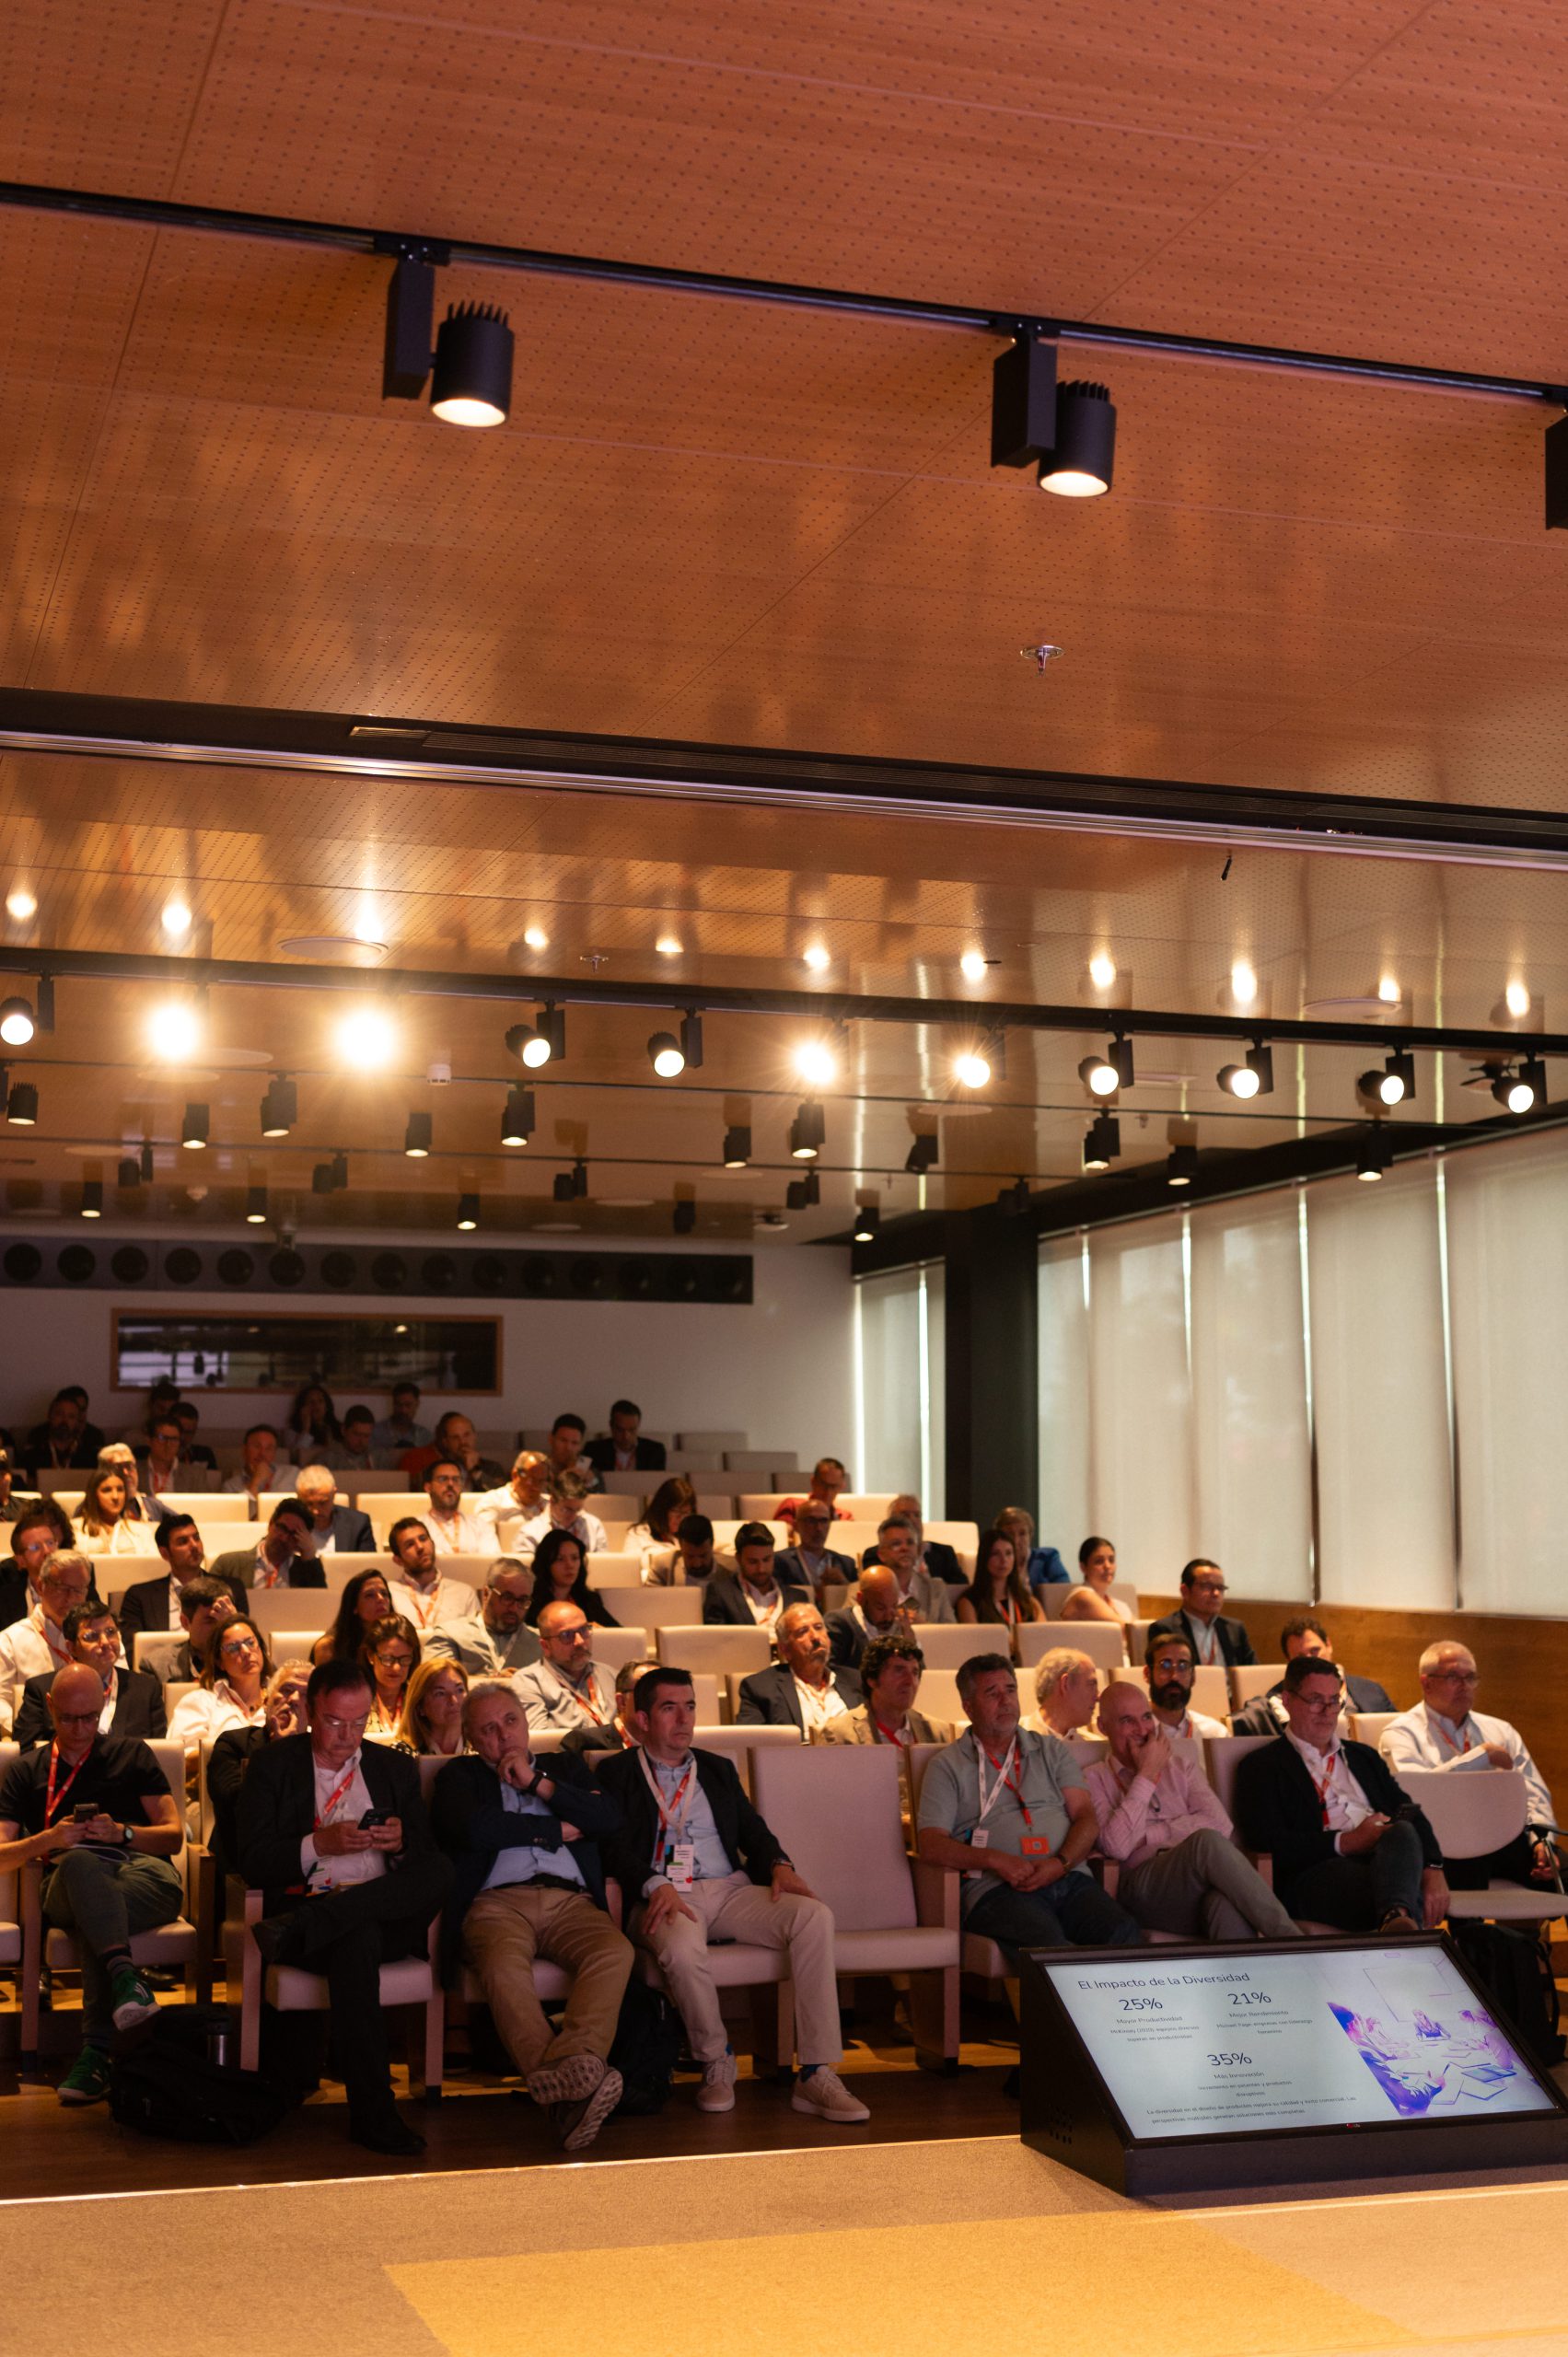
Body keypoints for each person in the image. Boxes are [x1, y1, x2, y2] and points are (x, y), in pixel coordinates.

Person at [598, 1666, 870, 2122]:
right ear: (641, 1719)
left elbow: (752, 1830)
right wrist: (654, 1882)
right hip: (665, 1895)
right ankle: (715, 2058)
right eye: (669, 1708)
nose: (684, 1719)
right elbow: (612, 1846)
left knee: (813, 1916)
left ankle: (817, 2072)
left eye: (689, 1707)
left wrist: (780, 1865)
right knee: (681, 1948)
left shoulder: (717, 1768)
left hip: (728, 1889)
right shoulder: (616, 1772)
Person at [236, 1655, 451, 2154]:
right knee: (357, 1937)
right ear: (311, 1711)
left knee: (441, 1869)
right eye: (335, 1722)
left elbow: (425, 1856)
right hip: (312, 1909)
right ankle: (373, 2114)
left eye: (358, 1723)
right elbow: (253, 1860)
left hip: (340, 1921)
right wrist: (319, 1844)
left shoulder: (393, 1767)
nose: (347, 1736)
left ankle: (326, 1919)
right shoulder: (274, 1767)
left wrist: (400, 1843)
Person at [431, 1679, 633, 2148]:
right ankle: (572, 2088)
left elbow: (607, 1819)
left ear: (526, 1722)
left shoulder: (564, 1767)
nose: (504, 1735)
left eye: (510, 1721)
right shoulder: (459, 1776)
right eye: (488, 1729)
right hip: (495, 1904)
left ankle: (568, 2073)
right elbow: (475, 1829)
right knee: (503, 1967)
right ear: (471, 1739)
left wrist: (536, 1783)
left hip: (571, 1902)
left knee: (615, 1952)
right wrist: (554, 1829)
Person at [0, 1664, 183, 2105]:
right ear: (50, 1707)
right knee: (82, 1865)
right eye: (68, 1718)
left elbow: (174, 1836)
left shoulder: (132, 1753)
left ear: (103, 1705)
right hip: (65, 1882)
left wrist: (123, 1833)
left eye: (89, 1718)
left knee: (97, 1914)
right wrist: (49, 1839)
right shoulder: (25, 1770)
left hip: (143, 1875)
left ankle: (97, 2053)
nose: (80, 1729)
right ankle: (125, 1981)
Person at [915, 1654, 1143, 1955]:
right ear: (968, 1707)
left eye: (1010, 1690)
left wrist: (1060, 1864)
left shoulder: (1052, 1750)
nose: (1005, 1701)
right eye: (992, 1693)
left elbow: (1086, 1818)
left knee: (1123, 1933)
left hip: (1068, 1877)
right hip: (997, 1890)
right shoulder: (947, 1765)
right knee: (1048, 1945)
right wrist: (995, 1860)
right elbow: (931, 1844)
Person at [1234, 1656, 1448, 1934]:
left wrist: (1433, 1869)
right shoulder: (1262, 1765)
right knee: (1398, 1886)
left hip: (1384, 1861)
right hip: (1314, 1873)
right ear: (1287, 1700)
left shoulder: (1364, 1757)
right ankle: (1400, 1920)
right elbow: (1266, 1840)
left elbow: (1410, 1812)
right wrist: (1346, 1842)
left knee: (1403, 1830)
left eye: (1334, 1701)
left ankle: (1396, 1917)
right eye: (1315, 1700)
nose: (1327, 1712)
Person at [1086, 1681, 1299, 1940]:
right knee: (1205, 1842)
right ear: (1102, 1727)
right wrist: (1147, 1773)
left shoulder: (1181, 1767)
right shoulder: (1092, 1778)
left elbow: (1221, 1825)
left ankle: (1264, 1965)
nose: (1142, 1730)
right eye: (1127, 1721)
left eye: (1146, 1717)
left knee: (1223, 1903)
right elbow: (1117, 1848)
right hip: (1142, 1890)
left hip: (1196, 1884)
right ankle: (1293, 1941)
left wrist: (1147, 1835)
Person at [1380, 1642, 1560, 1889]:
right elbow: (1419, 1792)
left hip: (1502, 1837)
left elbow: (1532, 1790)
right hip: (1443, 1844)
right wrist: (1481, 1756)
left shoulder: (1500, 1730)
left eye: (1471, 1678)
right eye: (1453, 1677)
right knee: (1468, 1876)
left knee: (1559, 1869)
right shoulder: (1401, 1733)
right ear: (1426, 1683)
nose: (1464, 1686)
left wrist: (1541, 1841)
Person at [206, 1660, 311, 1875]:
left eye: (305, 1695)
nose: (293, 1699)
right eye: (287, 1690)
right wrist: (279, 1752)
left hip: (305, 1866)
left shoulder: (322, 1752)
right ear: (266, 1701)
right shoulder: (233, 1744)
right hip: (241, 1868)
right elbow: (234, 1806)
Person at [14, 1603, 166, 1748]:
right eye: (92, 1636)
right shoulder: (41, 1689)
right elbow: (27, 1751)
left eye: (110, 1632)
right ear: (71, 1647)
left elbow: (160, 1753)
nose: (105, 1642)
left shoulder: (146, 1689)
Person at [1231, 1617, 1395, 1736]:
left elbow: (1394, 1731)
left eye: (1315, 1650)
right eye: (1301, 1656)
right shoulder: (1280, 1701)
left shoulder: (1371, 1690)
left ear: (1328, 1645)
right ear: (1289, 1661)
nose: (1311, 1660)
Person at [0, 1548, 95, 1735]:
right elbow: (1, 1700)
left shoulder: (102, 1639)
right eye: (62, 1588)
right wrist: (32, 1730)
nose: (71, 1598)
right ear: (41, 1586)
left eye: (78, 1590)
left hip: (92, 1738)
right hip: (34, 1740)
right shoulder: (10, 1640)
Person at [736, 1603, 862, 1734]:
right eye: (802, 1632)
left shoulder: (855, 1680)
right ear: (784, 1649)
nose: (815, 1637)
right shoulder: (761, 1689)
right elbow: (747, 1740)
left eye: (819, 1628)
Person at [119, 1514, 245, 1639]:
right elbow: (133, 1647)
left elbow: (245, 1637)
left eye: (196, 1538)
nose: (194, 1545)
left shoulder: (231, 1589)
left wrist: (230, 1621)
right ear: (165, 1553)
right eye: (183, 1542)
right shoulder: (139, 1597)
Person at [821, 1632, 950, 1747]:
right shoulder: (838, 1734)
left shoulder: (938, 1732)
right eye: (899, 1671)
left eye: (915, 1672)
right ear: (872, 1679)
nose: (910, 1681)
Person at [511, 1601, 618, 1736]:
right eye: (566, 1635)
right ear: (546, 1646)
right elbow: (540, 1742)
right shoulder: (529, 1682)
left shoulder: (611, 1675)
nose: (580, 1641)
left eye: (584, 1630)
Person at [168, 1616, 273, 1750]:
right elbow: (182, 1755)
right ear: (219, 1662)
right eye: (233, 1648)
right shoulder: (200, 1702)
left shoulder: (282, 1698)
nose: (246, 1652)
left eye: (250, 1642)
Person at [424, 1558, 541, 1678]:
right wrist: (489, 1681)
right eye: (507, 1597)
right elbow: (432, 1682)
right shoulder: (450, 1635)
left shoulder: (540, 1643)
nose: (514, 1608)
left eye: (522, 1600)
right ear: (486, 1593)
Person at [703, 1523, 808, 1632]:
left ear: (773, 1557)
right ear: (738, 1559)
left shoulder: (797, 1597)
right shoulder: (721, 1594)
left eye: (766, 1560)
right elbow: (716, 1639)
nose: (761, 1569)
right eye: (753, 1562)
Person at [1150, 1560, 1256, 1666]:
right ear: (1185, 1591)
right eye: (1207, 1586)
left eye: (1220, 1588)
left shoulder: (1234, 1628)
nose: (1216, 1594)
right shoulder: (1165, 1629)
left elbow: (1252, 1671)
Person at [957, 1527, 1045, 1651]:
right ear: (984, 1558)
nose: (1004, 1560)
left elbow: (1044, 1636)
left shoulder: (1028, 1601)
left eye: (1009, 1553)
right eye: (995, 1554)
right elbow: (975, 1643)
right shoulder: (969, 1602)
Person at [211, 1499, 326, 1594]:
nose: (284, 1538)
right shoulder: (228, 1565)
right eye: (282, 1528)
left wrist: (309, 1555)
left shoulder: (305, 1571)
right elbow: (206, 1601)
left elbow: (321, 1605)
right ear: (271, 1524)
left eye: (293, 1534)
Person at [387, 1517, 480, 1632]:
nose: (420, 1547)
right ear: (398, 1560)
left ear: (433, 1544)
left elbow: (475, 1638)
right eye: (410, 1544)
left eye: (423, 1539)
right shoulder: (388, 1594)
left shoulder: (464, 1593)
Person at [863, 1515, 956, 1625]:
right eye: (896, 1544)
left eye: (910, 1543)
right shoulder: (863, 1589)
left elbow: (953, 1631)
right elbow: (852, 1629)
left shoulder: (936, 1588)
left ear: (918, 1550)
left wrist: (924, 1627)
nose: (905, 1548)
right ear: (881, 1554)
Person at [522, 1528, 621, 1630]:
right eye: (560, 1559)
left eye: (575, 1558)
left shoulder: (588, 1600)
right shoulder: (530, 1602)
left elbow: (618, 1633)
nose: (570, 1565)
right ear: (546, 1564)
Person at [1144, 1630, 1229, 1744]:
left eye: (1183, 1666)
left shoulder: (1215, 1735)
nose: (1174, 1676)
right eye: (1165, 1665)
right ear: (1147, 1674)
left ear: (1193, 1677)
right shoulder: (1133, 1733)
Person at [859, 1495, 962, 1589]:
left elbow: (960, 1588)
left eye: (917, 1515)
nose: (913, 1520)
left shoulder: (944, 1552)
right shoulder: (875, 1554)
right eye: (905, 1515)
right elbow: (874, 1589)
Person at [825, 1567, 915, 1671]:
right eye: (880, 1608)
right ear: (860, 1599)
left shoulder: (900, 1628)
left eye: (894, 1606)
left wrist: (910, 1644)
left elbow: (917, 1673)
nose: (888, 1617)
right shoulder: (839, 1623)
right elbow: (829, 1672)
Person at [513, 1469, 610, 1563]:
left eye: (578, 1510)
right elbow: (524, 1571)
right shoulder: (530, 1533)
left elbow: (602, 1567)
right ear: (552, 1502)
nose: (573, 1516)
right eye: (567, 1509)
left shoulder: (594, 1526)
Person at [161, 1576, 244, 1686]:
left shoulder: (250, 1656)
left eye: (225, 1621)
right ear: (185, 1622)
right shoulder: (157, 1665)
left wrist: (234, 1623)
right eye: (211, 1620)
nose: (220, 1627)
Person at [311, 1568, 396, 1668]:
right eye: (370, 1595)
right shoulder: (329, 1647)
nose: (381, 1599)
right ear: (354, 1606)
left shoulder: (397, 1641)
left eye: (384, 1594)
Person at [401, 1411, 507, 1491]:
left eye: (467, 1435)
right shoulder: (433, 1471)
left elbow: (500, 1498)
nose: (463, 1442)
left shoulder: (493, 1468)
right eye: (455, 1438)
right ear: (446, 1442)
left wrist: (475, 1471)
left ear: (475, 1436)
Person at [775, 1496, 857, 1596]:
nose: (819, 1528)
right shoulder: (780, 1562)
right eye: (811, 1521)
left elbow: (857, 1600)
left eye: (824, 1521)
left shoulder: (846, 1564)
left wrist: (845, 1586)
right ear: (796, 1526)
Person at [472, 1450, 550, 1555]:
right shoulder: (492, 1501)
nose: (536, 1487)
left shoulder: (550, 1506)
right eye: (531, 1479)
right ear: (515, 1475)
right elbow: (484, 1543)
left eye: (541, 1481)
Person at [359, 1614, 422, 1744]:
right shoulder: (355, 1699)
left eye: (404, 1659)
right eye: (388, 1659)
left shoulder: (420, 1701)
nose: (396, 1667)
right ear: (370, 1656)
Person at [558, 1660, 643, 1756]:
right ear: (622, 1702)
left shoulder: (657, 1747)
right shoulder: (582, 1744)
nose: (655, 1700)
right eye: (646, 1691)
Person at [417, 1457, 492, 1555]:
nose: (450, 1484)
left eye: (456, 1479)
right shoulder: (416, 1528)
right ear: (428, 1487)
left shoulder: (480, 1525)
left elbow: (492, 1561)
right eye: (443, 1479)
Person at [293, 1464, 375, 1554]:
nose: (315, 1511)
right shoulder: (287, 1525)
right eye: (309, 1504)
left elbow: (370, 1562)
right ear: (299, 1498)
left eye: (322, 1503)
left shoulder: (358, 1523)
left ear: (334, 1494)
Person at [1024, 1646, 1101, 1742]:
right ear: (1065, 1684)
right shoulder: (1012, 1741)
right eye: (1091, 1685)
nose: (1098, 1697)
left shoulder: (1095, 1746)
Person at [1, 1509, 61, 1631]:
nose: (47, 1551)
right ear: (21, 1560)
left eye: (50, 1543)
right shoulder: (5, 1600)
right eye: (35, 1547)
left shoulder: (81, 1592)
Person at [401, 1655, 470, 1759]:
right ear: (420, 1707)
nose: (454, 1701)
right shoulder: (401, 1754)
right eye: (440, 1693)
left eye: (460, 1690)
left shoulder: (483, 1748)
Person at [1058, 1533, 1132, 1625]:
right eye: (1099, 1561)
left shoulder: (1120, 1606)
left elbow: (1134, 1631)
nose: (1107, 1566)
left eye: (1111, 1560)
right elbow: (1124, 1629)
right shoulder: (1082, 1596)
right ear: (1083, 1567)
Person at [624, 1477, 698, 1568]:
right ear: (662, 1509)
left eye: (686, 1513)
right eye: (676, 1511)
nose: (681, 1518)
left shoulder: (695, 1535)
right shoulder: (639, 1534)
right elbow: (630, 1568)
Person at [74, 1465, 145, 1558]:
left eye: (120, 1490)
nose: (115, 1497)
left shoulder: (141, 1530)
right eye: (107, 1490)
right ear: (94, 1495)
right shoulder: (75, 1528)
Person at [995, 1504, 1069, 1590]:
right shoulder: (993, 1563)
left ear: (1030, 1536)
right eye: (1010, 1534)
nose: (1016, 1540)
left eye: (1022, 1534)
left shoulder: (1047, 1557)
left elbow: (1064, 1591)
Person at [585, 1399, 667, 1475]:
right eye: (620, 1430)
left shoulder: (655, 1451)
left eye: (632, 1430)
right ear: (611, 1426)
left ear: (638, 1426)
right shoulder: (593, 1450)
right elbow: (585, 1480)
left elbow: (658, 1482)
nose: (626, 1436)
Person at [23, 1391, 98, 1473]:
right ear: (50, 1416)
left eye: (71, 1416)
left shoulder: (90, 1456)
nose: (64, 1421)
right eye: (59, 1414)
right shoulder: (32, 1454)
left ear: (77, 1421)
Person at [643, 1511, 721, 1588]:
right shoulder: (662, 1566)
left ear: (712, 1545)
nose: (697, 1564)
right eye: (690, 1556)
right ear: (680, 1546)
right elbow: (650, 1596)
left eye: (703, 1556)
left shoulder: (728, 1569)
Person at [134, 1412, 188, 1511]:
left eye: (174, 1439)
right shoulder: (134, 1471)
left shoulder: (195, 1475)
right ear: (149, 1440)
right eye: (162, 1438)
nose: (168, 1445)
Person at [219, 1423, 288, 1499]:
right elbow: (241, 1507)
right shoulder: (230, 1486)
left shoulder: (291, 1474)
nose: (262, 1453)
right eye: (257, 1446)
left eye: (269, 1448)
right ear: (244, 1450)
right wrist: (256, 1481)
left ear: (274, 1453)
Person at [777, 1457, 853, 1525]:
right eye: (823, 1485)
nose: (828, 1492)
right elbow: (781, 1533)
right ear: (813, 1482)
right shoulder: (793, 1506)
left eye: (833, 1487)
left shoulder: (844, 1517)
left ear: (842, 1487)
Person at [282, 1382, 341, 1461]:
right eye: (311, 1402)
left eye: (320, 1401)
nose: (316, 1405)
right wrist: (306, 1428)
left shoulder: (337, 1428)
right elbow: (295, 1457)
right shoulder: (291, 1431)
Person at [372, 1382, 432, 1457]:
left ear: (417, 1404)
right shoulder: (375, 1432)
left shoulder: (425, 1436)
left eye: (408, 1405)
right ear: (393, 1404)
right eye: (399, 1405)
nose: (403, 1410)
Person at [322, 1405, 385, 1476]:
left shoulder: (380, 1457)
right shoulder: (328, 1460)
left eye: (366, 1436)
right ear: (343, 1430)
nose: (362, 1441)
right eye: (357, 1434)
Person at [173, 1400, 216, 1470]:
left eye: (189, 1432)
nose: (183, 1437)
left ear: (195, 1430)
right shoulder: (158, 1453)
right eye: (180, 1431)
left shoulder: (205, 1454)